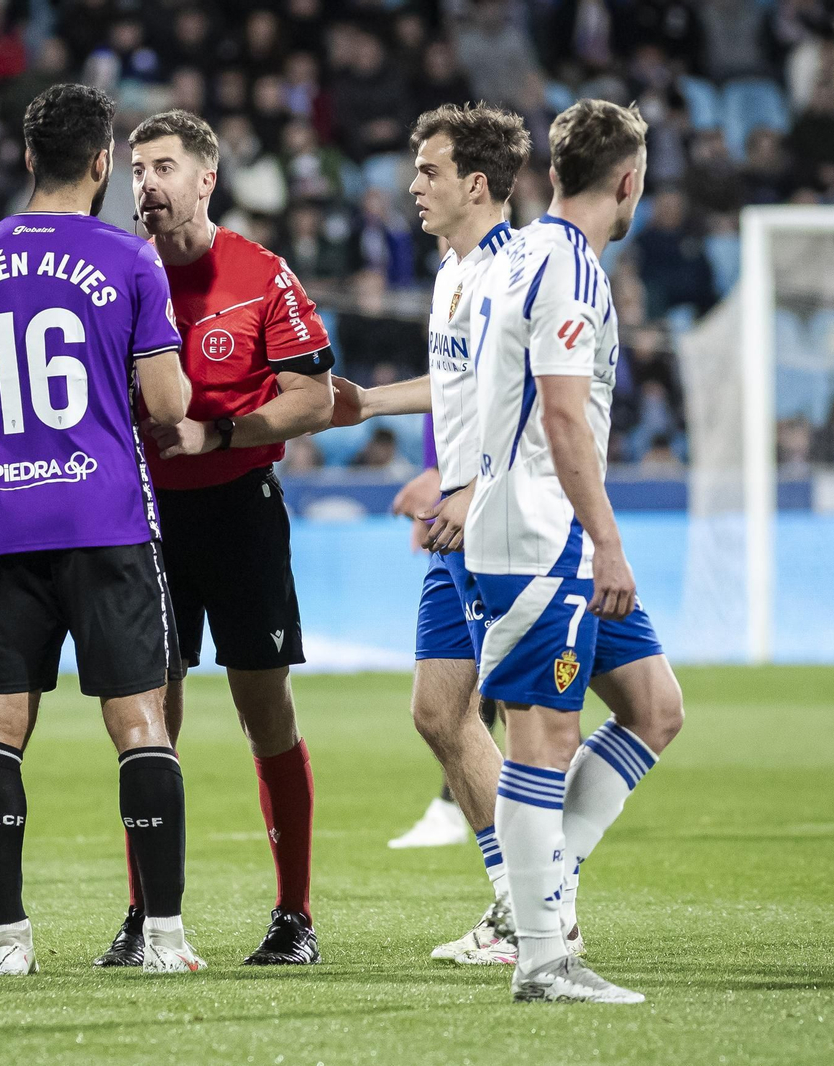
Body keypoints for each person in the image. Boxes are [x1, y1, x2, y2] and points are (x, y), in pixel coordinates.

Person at [0, 82, 204, 975]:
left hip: (9, 523)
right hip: (106, 517)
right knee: (139, 726)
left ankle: (9, 942)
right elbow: (167, 405)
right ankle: (163, 936)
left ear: (24, 158)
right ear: (101, 164)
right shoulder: (131, 259)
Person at [466, 99, 684, 1004]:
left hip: (543, 530)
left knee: (655, 707)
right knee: (544, 740)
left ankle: (541, 887)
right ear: (629, 181)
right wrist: (609, 540)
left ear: (556, 170)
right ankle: (543, 956)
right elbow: (561, 416)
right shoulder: (572, 271)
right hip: (540, 534)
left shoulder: (516, 253)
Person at [114, 108, 335, 967]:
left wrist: (222, 433)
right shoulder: (117, 274)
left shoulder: (258, 273)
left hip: (240, 509)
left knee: (263, 711)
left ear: (207, 177)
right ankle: (147, 919)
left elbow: (313, 399)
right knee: (146, 719)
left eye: (163, 167)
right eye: (137, 169)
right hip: (142, 520)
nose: (146, 185)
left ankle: (294, 917)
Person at [325, 103, 532, 966]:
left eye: (429, 171)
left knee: (531, 721)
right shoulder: (453, 271)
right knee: (440, 711)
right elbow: (461, 391)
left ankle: (543, 910)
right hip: (458, 518)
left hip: (506, 527)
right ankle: (513, 905)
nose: (412, 186)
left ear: (474, 183)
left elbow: (526, 404)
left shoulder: (513, 274)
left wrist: (472, 486)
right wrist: (369, 402)